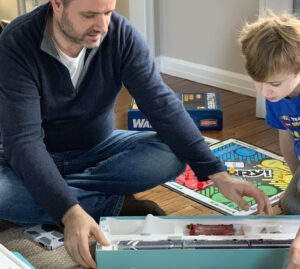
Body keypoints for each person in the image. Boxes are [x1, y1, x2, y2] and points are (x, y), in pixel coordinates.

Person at [0, 0, 271, 268]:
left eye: (108, 12)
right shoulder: (17, 41)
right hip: (33, 155)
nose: (102, 25)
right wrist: (69, 214)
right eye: (90, 14)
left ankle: (47, 196)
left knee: (172, 155)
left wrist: (217, 173)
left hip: (99, 148)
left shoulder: (120, 34)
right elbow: (24, 143)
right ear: (57, 4)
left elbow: (162, 106)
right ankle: (105, 207)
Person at [238, 10, 300, 269]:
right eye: (258, 81)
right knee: (290, 203)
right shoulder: (274, 94)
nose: (265, 91)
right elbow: (285, 133)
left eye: (274, 83)